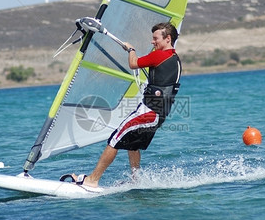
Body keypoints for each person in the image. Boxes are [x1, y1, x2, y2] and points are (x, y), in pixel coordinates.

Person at [69, 22, 182, 188]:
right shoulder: (175, 59)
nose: (153, 42)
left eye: (155, 38)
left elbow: (133, 63)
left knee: (115, 139)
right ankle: (136, 181)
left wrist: (131, 50)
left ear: (168, 39)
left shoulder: (159, 56)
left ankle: (92, 180)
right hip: (158, 114)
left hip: (149, 112)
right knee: (132, 144)